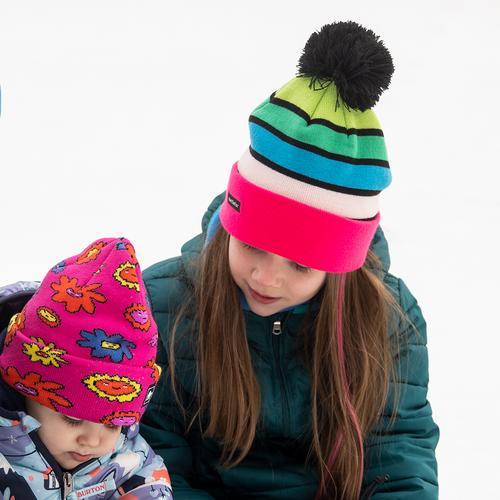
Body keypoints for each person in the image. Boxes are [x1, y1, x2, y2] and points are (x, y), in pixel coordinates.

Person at [140, 21, 439, 500]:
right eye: (252, 246)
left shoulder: (389, 318)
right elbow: (152, 458)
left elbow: (398, 452)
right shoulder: (162, 306)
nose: (266, 277)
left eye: (300, 264)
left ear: (339, 265)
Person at [0, 238, 173, 499]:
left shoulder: (129, 460)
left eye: (114, 424)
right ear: (24, 387)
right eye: (73, 419)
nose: (93, 441)